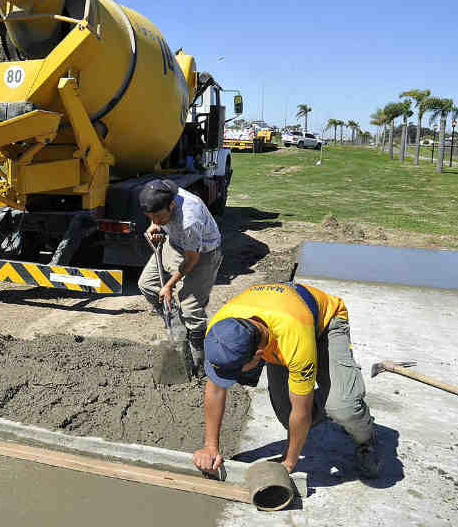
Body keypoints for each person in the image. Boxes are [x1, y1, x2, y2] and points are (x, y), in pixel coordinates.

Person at [193, 282, 381, 478]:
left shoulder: (292, 340)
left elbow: (302, 410)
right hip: (282, 317)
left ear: (259, 355)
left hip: (325, 323)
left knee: (342, 408)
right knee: (289, 417)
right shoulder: (221, 331)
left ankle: (366, 437)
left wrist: (289, 462)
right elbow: (215, 390)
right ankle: (332, 399)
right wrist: (210, 447)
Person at [138, 179, 223, 374]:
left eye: (159, 217)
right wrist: (155, 224)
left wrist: (168, 286)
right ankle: (176, 325)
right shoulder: (161, 193)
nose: (156, 221)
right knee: (146, 285)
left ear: (172, 205)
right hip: (175, 243)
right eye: (151, 216)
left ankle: (198, 363)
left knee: (191, 310)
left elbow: (191, 260)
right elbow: (155, 212)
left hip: (203, 253)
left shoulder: (189, 220)